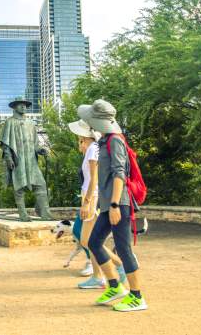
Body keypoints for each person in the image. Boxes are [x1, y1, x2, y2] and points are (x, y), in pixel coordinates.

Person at [78, 99, 147, 312]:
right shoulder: (103, 141)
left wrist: (116, 204)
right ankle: (115, 286)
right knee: (94, 242)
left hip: (119, 203)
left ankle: (137, 297)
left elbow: (119, 174)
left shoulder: (115, 140)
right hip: (109, 204)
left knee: (124, 249)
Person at [68, 120, 127, 290]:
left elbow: (94, 179)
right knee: (89, 240)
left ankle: (118, 265)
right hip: (90, 197)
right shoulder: (92, 148)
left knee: (88, 240)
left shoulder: (94, 148)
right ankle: (97, 275)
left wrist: (87, 203)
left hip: (92, 198)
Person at [0, 98, 53, 221]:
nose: (23, 107)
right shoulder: (10, 122)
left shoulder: (31, 123)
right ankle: (23, 214)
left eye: (25, 105)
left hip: (31, 161)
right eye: (20, 105)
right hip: (18, 159)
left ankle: (45, 213)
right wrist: (8, 158)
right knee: (19, 187)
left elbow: (35, 143)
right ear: (15, 107)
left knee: (41, 185)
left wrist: (40, 150)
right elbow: (5, 143)